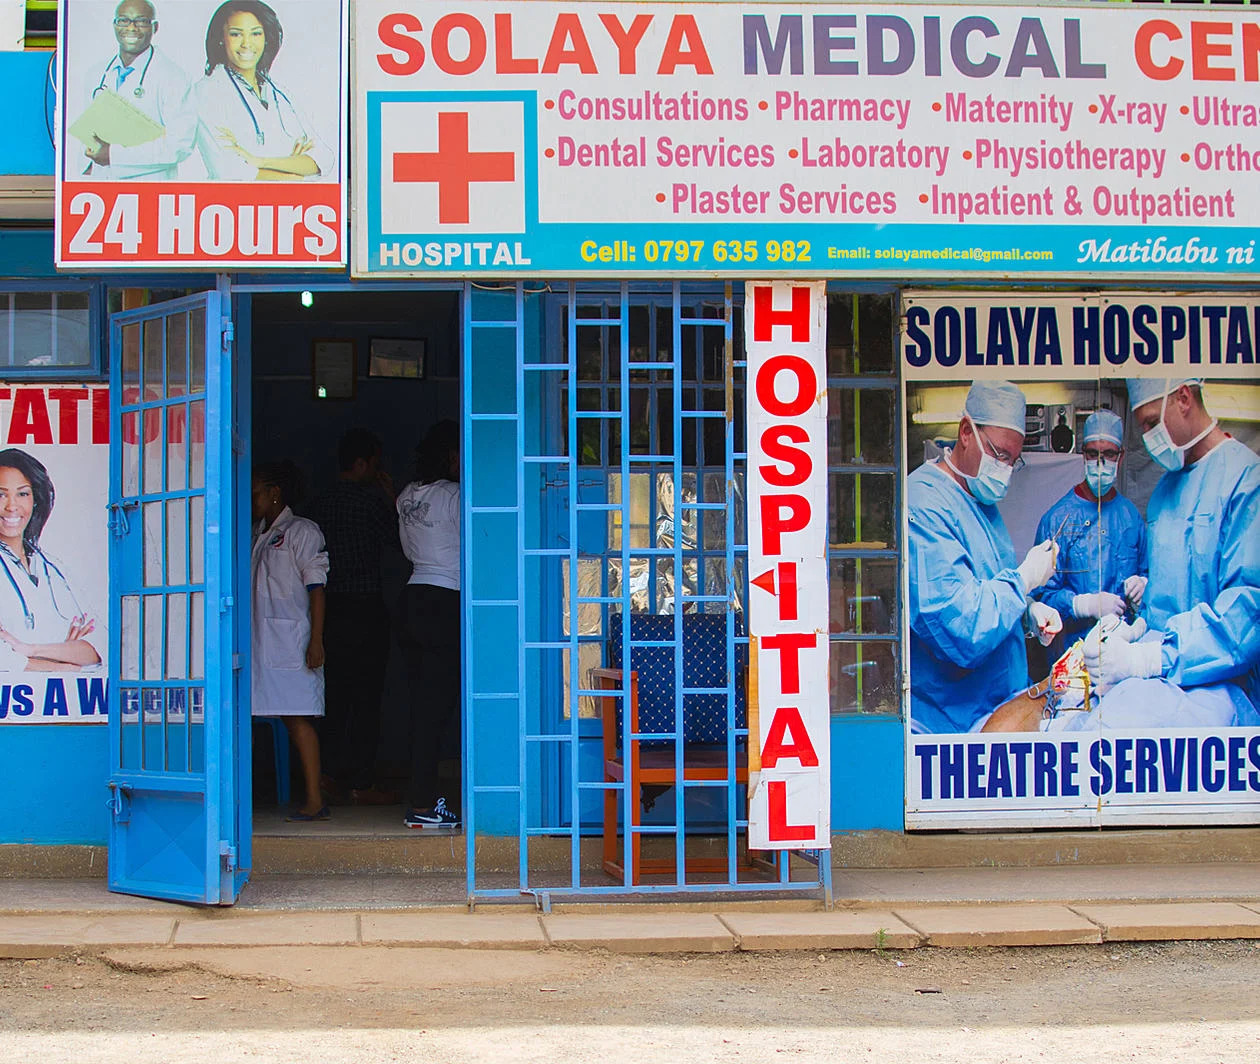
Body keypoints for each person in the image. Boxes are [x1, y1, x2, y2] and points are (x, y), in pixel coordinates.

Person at [1081, 379, 1260, 727]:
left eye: (1151, 423)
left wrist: (1146, 659)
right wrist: (1132, 630)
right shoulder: (1165, 489)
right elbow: (1166, 596)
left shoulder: (1247, 481)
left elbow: (1248, 613)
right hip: (1163, 678)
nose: (1147, 439)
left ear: (1183, 398)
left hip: (1222, 683)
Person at [908, 381, 1062, 734]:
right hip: (950, 722)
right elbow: (961, 628)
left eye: (1013, 460)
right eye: (999, 454)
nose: (1005, 468)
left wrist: (1026, 612)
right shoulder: (924, 504)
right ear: (966, 431)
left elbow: (987, 585)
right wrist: (1024, 579)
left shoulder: (981, 503)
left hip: (997, 711)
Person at [306, 429, 398, 805]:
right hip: (365, 607)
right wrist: (391, 496)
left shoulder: (318, 504)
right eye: (374, 463)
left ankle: (326, 773)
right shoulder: (371, 503)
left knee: (333, 696)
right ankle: (361, 780)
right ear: (361, 463)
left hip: (327, 609)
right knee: (366, 698)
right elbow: (402, 541)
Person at [1032, 410, 1148, 661]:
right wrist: (1083, 604)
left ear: (1121, 456)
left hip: (1123, 653)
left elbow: (1148, 576)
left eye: (1109, 454)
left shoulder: (1131, 517)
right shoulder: (1056, 520)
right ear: (1083, 454)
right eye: (1093, 454)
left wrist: (1144, 586)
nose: (1100, 462)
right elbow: (1041, 597)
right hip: (1073, 655)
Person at [251, 461, 330, 821]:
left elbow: (317, 589)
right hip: (259, 641)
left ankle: (315, 798)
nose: (252, 501)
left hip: (291, 640)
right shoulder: (256, 532)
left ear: (274, 493)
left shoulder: (302, 531)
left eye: (256, 494)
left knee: (297, 719)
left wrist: (317, 640)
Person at [397, 421, 461, 829]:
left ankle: (421, 795)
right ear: (452, 455)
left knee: (421, 708)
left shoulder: (405, 496)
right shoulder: (455, 496)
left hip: (412, 597)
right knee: (436, 711)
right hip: (445, 599)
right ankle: (423, 803)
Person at [194, 0, 333, 181]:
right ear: (221, 38)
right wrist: (295, 176)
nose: (246, 44)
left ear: (267, 38)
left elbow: (324, 159)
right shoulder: (206, 93)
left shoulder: (280, 94)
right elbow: (228, 171)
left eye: (256, 34)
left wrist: (259, 161)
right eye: (236, 34)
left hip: (290, 206)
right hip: (231, 205)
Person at [0, 449, 101, 672]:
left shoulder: (52, 567)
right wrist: (68, 666)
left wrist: (30, 649)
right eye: (1, 494)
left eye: (23, 494)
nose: (11, 506)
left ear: (36, 499)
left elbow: (99, 649)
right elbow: (3, 660)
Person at [75, 0, 196, 179]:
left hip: (150, 188)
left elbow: (179, 145)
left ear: (155, 28)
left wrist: (113, 155)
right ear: (114, 25)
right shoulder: (96, 73)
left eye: (141, 21)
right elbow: (87, 135)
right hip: (101, 187)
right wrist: (88, 166)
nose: (131, 28)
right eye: (123, 20)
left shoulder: (174, 78)